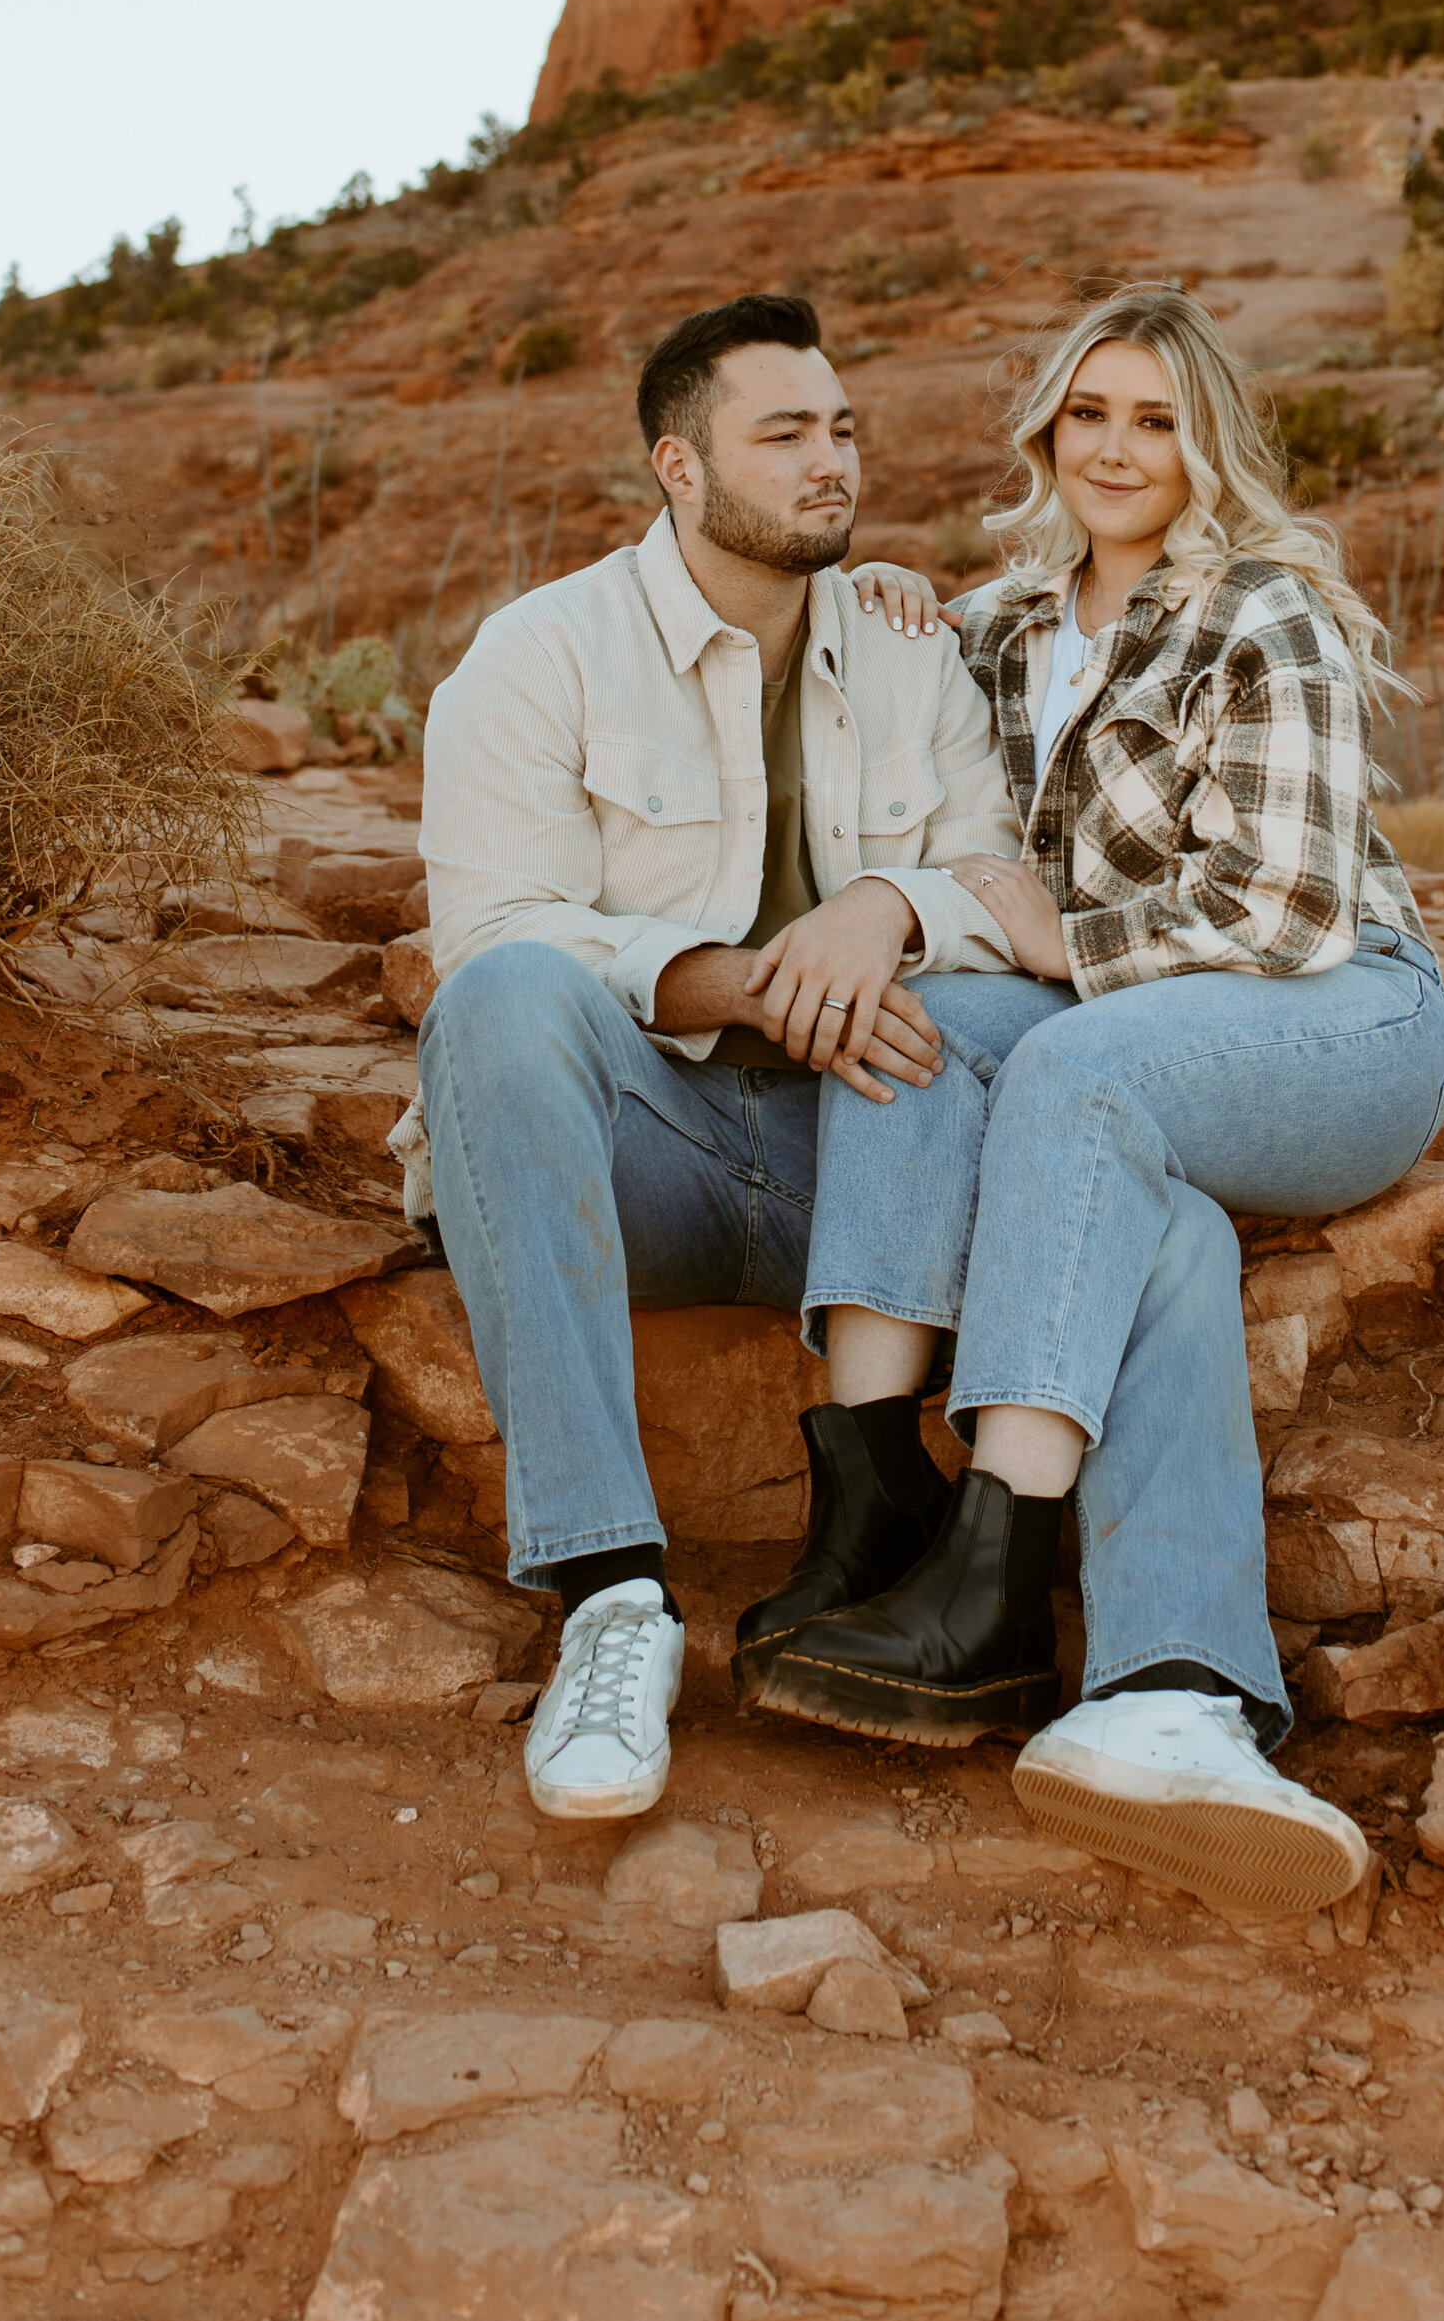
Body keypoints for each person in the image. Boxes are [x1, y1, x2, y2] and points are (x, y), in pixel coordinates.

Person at [746, 284, 1444, 1917]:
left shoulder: (1264, 610)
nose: (1120, 448)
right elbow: (921, 803)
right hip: (1144, 1044)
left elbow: (1283, 915)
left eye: (1156, 418)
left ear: (1204, 442)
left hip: (1334, 1021)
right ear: (1047, 433)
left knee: (1067, 1069)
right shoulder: (999, 626)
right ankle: (1107, 1645)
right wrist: (875, 610)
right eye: (1091, 414)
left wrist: (1045, 930)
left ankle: (992, 1582)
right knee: (950, 1050)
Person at [411, 291, 1018, 1824]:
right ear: (679, 468)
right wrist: (733, 982)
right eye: (787, 434)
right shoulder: (536, 654)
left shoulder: (907, 649)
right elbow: (493, 933)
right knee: (497, 1009)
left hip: (862, 1159)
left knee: (1032, 1051)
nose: (833, 463)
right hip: (647, 1146)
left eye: (843, 429)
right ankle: (612, 1597)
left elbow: (1003, 881)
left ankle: (1018, 1595)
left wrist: (885, 906)